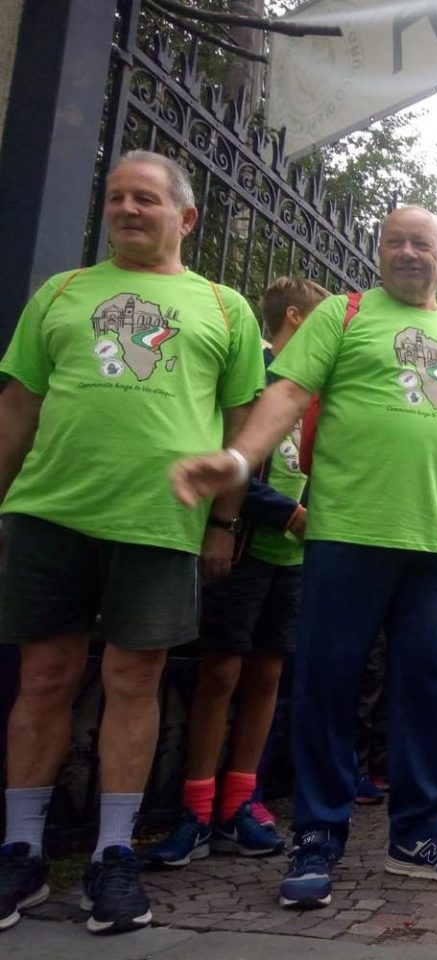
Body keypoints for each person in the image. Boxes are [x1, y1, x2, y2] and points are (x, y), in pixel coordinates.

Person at [170, 205, 437, 908]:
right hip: (345, 535)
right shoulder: (343, 314)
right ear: (380, 252)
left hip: (434, 551)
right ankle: (317, 837)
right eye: (394, 241)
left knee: (425, 690)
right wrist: (241, 458)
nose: (407, 252)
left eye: (422, 242)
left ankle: (418, 835)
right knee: (327, 686)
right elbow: (288, 393)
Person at [0, 150, 265, 935]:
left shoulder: (224, 307)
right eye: (116, 197)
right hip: (50, 513)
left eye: (145, 199)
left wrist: (222, 522)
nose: (126, 209)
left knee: (133, 679)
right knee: (44, 675)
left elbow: (241, 428)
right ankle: (21, 850)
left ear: (185, 218)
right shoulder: (62, 292)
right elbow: (17, 409)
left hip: (160, 524)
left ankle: (114, 854)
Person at [145, 276, 326, 870]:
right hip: (248, 546)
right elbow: (235, 457)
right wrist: (285, 514)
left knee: (267, 676)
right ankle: (195, 809)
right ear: (296, 319)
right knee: (221, 672)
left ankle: (239, 804)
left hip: (295, 560)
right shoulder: (262, 379)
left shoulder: (322, 391)